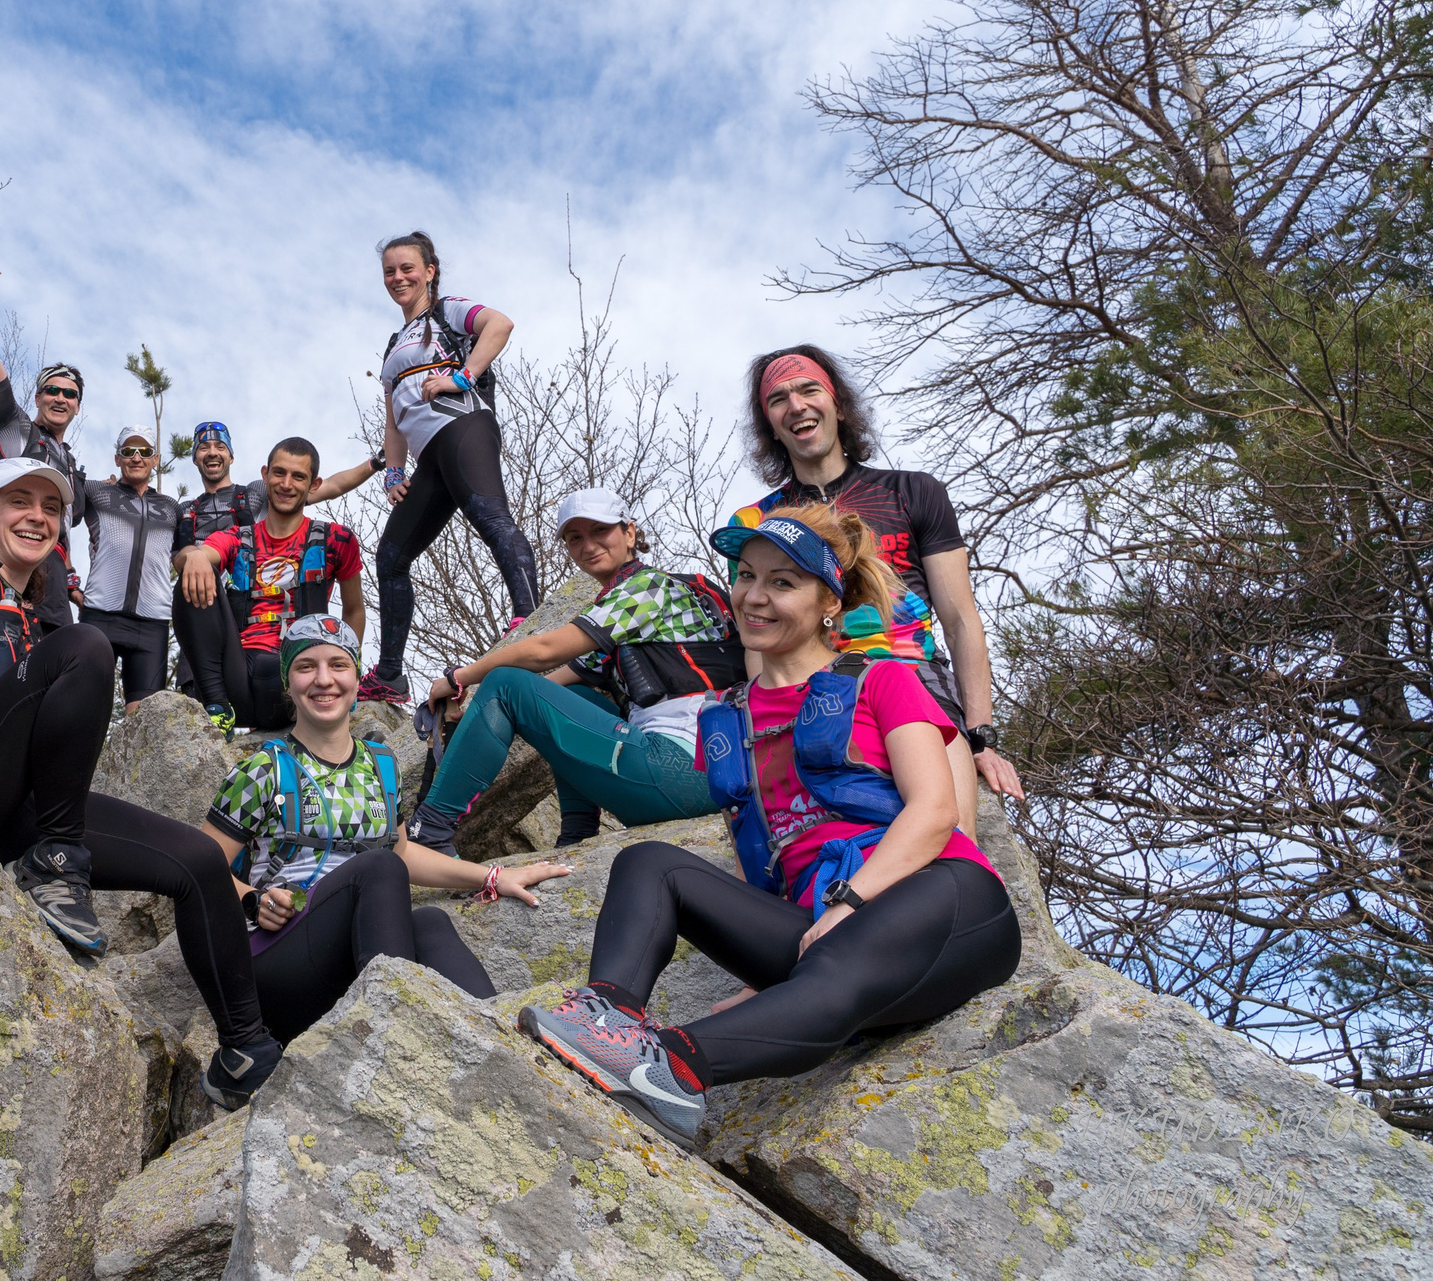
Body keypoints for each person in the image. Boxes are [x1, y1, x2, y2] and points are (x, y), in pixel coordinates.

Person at [517, 506, 1021, 1141]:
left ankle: (670, 1063)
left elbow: (937, 811)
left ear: (829, 602)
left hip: (941, 910)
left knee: (837, 961)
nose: (755, 596)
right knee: (649, 863)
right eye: (747, 576)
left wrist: (850, 905)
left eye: (782, 582)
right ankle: (609, 1019)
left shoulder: (881, 680)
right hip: (823, 938)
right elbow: (764, 863)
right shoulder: (724, 720)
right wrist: (770, 987)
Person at [0, 457, 290, 1109]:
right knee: (90, 644)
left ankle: (247, 1049)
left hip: (16, 804)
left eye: (50, 507)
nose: (37, 515)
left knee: (200, 859)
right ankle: (56, 864)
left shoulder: (42, 621)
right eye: (20, 500)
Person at [205, 615, 570, 1041]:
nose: (324, 680)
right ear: (288, 683)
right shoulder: (262, 770)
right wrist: (253, 900)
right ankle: (392, 1038)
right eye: (306, 667)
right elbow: (199, 869)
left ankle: (504, 1047)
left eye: (338, 665)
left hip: (345, 957)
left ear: (357, 680)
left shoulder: (381, 764)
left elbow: (401, 852)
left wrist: (493, 876)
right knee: (377, 869)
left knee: (430, 922)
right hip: (276, 962)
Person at [729, 345, 1026, 831]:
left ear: (838, 404)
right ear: (770, 424)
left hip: (913, 678)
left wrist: (982, 737)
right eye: (778, 399)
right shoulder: (755, 521)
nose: (797, 405)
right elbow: (758, 632)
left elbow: (960, 618)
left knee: (949, 842)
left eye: (809, 389)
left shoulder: (913, 491)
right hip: (815, 692)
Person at [404, 489, 744, 856]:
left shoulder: (647, 588)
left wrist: (459, 677)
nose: (588, 545)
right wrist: (472, 710)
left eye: (601, 530)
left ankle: (431, 830)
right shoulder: (650, 601)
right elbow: (543, 695)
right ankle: (576, 837)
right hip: (705, 769)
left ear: (630, 533)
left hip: (684, 771)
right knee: (568, 699)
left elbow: (542, 653)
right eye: (575, 538)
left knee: (504, 681)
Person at [362, 232, 539, 703]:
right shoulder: (393, 343)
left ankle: (530, 620)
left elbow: (499, 324)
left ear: (430, 271)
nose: (398, 278)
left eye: (407, 269)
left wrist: (463, 375)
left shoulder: (448, 310)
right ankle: (391, 676)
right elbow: (393, 417)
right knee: (391, 558)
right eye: (390, 271)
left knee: (491, 519)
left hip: (463, 428)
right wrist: (394, 472)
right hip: (428, 459)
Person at [169, 421, 378, 716]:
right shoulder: (237, 538)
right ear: (265, 476)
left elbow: (354, 610)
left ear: (313, 485)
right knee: (195, 572)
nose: (286, 484)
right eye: (279, 473)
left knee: (275, 665)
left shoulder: (335, 539)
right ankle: (217, 707)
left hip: (301, 676)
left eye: (298, 476)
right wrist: (197, 556)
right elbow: (205, 553)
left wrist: (349, 669)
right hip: (237, 673)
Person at [0, 246, 86, 623]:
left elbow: (65, 526)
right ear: (38, 396)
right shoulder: (20, 432)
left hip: (56, 570)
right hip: (12, 553)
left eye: (70, 394)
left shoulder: (72, 463)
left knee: (57, 662)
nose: (60, 398)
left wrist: (73, 577)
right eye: (53, 390)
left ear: (78, 406)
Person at [75, 426, 182, 707]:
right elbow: (58, 522)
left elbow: (187, 551)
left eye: (144, 452)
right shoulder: (95, 491)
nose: (136, 457)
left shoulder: (172, 507)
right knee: (83, 707)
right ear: (117, 458)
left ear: (155, 459)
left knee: (144, 719)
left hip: (151, 625)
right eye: (128, 451)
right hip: (100, 616)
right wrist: (68, 579)